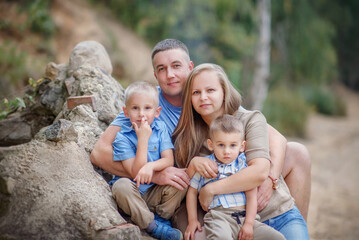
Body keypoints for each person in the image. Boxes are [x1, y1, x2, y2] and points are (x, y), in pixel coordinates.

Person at [90, 39, 311, 226]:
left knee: (297, 153)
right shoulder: (147, 105)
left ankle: (294, 227)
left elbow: (277, 139)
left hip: (226, 170)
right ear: (155, 76)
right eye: (162, 69)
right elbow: (99, 153)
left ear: (190, 67)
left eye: (176, 66)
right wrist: (155, 174)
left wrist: (269, 178)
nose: (170, 75)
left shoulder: (207, 98)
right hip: (185, 188)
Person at [172, 63, 309, 239]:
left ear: (224, 92)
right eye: (196, 92)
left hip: (276, 214)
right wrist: (192, 165)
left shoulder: (249, 120)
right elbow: (187, 187)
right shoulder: (188, 137)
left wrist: (212, 189)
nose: (203, 97)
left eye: (210, 90)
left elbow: (259, 171)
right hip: (225, 222)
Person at [185, 114, 285, 240]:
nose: (227, 151)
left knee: (277, 238)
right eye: (221, 145)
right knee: (221, 237)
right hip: (219, 218)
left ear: (242, 146)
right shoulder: (205, 165)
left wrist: (249, 224)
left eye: (232, 145)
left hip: (245, 218)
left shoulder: (243, 166)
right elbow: (192, 192)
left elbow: (251, 195)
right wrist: (193, 220)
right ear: (211, 145)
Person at [109, 81, 186, 240]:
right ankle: (151, 225)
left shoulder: (160, 127)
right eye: (135, 108)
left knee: (182, 179)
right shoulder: (122, 137)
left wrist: (151, 166)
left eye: (147, 108)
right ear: (125, 111)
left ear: (157, 112)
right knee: (120, 186)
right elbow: (135, 171)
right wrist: (143, 139)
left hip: (154, 192)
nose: (141, 114)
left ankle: (161, 217)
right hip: (134, 192)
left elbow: (168, 160)